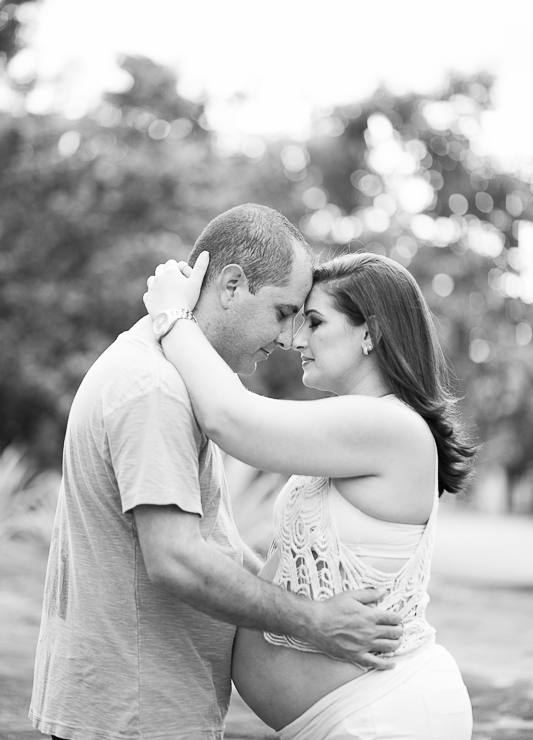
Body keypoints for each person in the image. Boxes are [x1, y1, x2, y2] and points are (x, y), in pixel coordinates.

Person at [30, 204, 402, 740]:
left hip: (141, 708)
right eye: (283, 311)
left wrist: (323, 605)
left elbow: (215, 543)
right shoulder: (153, 388)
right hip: (133, 714)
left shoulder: (169, 375)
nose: (286, 337)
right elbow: (177, 558)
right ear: (231, 285)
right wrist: (315, 622)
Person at [143, 248, 477, 740]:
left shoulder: (387, 424)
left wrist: (172, 317)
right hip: (360, 717)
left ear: (370, 333)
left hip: (383, 717)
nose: (296, 337)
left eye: (315, 322)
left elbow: (230, 418)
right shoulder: (363, 424)